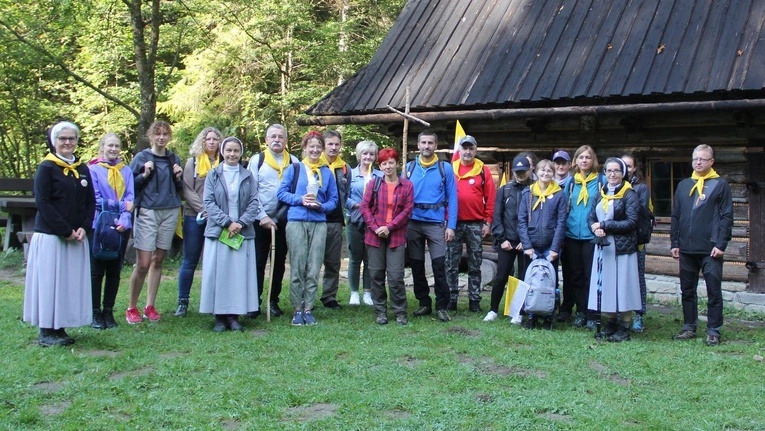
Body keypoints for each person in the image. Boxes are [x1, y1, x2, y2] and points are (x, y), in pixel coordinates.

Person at [23, 121, 95, 346]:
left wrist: (84, 226)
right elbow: (43, 203)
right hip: (52, 237)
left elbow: (90, 202)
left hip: (76, 237)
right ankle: (46, 330)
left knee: (67, 283)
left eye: (71, 138)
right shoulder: (47, 168)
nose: (67, 142)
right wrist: (65, 230)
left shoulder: (82, 168)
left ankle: (60, 326)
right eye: (62, 138)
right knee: (49, 283)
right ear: (54, 141)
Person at [670, 145, 733, 346]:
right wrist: (674, 242)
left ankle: (713, 330)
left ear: (711, 162)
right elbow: (676, 215)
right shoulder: (684, 185)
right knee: (687, 290)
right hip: (686, 248)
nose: (698, 162)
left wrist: (721, 243)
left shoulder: (720, 184)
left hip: (711, 249)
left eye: (703, 159)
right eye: (695, 159)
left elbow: (726, 216)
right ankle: (689, 327)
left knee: (713, 290)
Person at [278, 131, 338, 326]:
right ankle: (297, 308)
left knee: (314, 266)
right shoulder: (294, 169)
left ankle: (308, 308)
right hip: (296, 221)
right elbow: (282, 193)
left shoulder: (326, 172)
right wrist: (300, 200)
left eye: (318, 147)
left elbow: (334, 200)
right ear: (304, 148)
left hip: (319, 223)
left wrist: (322, 206)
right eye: (311, 146)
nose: (314, 150)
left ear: (322, 149)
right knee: (297, 266)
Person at [199, 137, 260, 331]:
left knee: (237, 275)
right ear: (222, 152)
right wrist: (227, 222)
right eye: (228, 150)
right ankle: (219, 316)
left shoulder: (248, 176)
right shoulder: (213, 175)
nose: (232, 154)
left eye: (236, 151)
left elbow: (254, 203)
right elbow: (208, 202)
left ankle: (234, 316)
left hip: (241, 232)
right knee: (219, 274)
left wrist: (240, 223)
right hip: (219, 231)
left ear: (241, 153)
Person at [126, 120, 183, 324]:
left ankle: (150, 305)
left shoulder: (173, 158)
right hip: (148, 211)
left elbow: (178, 188)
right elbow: (130, 185)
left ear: (169, 137)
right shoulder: (142, 157)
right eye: (157, 134)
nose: (161, 138)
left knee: (158, 260)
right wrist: (144, 174)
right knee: (142, 263)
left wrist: (178, 176)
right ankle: (131, 307)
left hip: (169, 210)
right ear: (151, 136)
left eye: (165, 134)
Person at [248, 124, 299, 318]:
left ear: (286, 140)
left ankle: (273, 300)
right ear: (267, 139)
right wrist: (263, 216)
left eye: (281, 136)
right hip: (260, 220)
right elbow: (252, 192)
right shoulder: (257, 160)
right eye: (273, 136)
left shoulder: (293, 161)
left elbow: (295, 191)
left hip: (284, 219)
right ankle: (254, 302)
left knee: (279, 263)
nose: (277, 140)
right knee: (258, 262)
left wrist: (279, 217)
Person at [406, 131, 458, 322]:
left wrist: (451, 225)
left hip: (436, 223)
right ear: (418, 145)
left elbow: (452, 198)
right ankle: (424, 303)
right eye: (423, 142)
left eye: (430, 143)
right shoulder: (409, 168)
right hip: (413, 222)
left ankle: (442, 305)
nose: (426, 146)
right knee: (417, 265)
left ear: (436, 146)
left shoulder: (445, 168)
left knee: (438, 265)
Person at [587, 157, 641, 342]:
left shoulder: (629, 194)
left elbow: (632, 222)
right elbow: (591, 216)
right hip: (604, 247)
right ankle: (611, 321)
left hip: (622, 248)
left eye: (616, 170)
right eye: (609, 171)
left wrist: (605, 225)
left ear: (623, 173)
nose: (612, 174)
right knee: (608, 284)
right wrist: (595, 226)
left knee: (624, 286)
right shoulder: (601, 193)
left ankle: (624, 325)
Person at [360, 148, 414, 325]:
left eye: (391, 162)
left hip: (396, 236)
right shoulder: (374, 184)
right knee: (376, 274)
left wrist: (389, 227)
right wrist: (376, 228)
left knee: (395, 275)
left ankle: (400, 311)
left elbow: (407, 211)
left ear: (396, 163)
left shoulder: (407, 186)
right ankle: (380, 311)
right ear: (380, 166)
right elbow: (364, 208)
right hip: (374, 236)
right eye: (384, 163)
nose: (388, 166)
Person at [88, 133, 134, 329]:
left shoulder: (127, 171)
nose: (113, 149)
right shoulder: (93, 170)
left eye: (116, 146)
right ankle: (94, 312)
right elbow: (95, 199)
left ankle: (108, 311)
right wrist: (120, 206)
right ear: (102, 147)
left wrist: (124, 220)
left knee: (114, 271)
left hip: (120, 226)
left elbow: (131, 200)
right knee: (96, 271)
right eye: (110, 146)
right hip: (98, 224)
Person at [175, 127, 222, 317]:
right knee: (190, 260)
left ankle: (214, 302)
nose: (211, 142)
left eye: (215, 139)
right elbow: (187, 190)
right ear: (202, 142)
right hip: (195, 216)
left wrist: (216, 213)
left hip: (218, 219)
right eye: (207, 139)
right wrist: (205, 209)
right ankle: (182, 302)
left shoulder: (225, 162)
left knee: (215, 261)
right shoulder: (193, 162)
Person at [446, 135, 495, 312]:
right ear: (459, 150)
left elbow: (490, 198)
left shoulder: (483, 170)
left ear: (476, 150)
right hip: (453, 223)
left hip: (475, 223)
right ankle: (451, 298)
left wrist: (488, 221)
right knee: (451, 263)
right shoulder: (450, 169)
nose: (467, 151)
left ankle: (474, 300)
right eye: (464, 148)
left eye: (471, 148)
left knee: (475, 263)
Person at [517, 159, 567, 329]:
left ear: (553, 174)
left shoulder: (559, 194)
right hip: (532, 245)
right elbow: (522, 221)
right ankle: (531, 315)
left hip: (549, 246)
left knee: (549, 281)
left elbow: (561, 222)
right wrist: (527, 245)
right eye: (542, 170)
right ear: (536, 172)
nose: (546, 174)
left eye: (549, 171)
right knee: (530, 280)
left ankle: (548, 316)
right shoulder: (528, 193)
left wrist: (555, 248)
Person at [484, 155, 533, 322]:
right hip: (507, 241)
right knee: (501, 276)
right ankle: (493, 310)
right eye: (517, 172)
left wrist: (526, 241)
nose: (520, 175)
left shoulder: (535, 190)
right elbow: (497, 217)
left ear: (530, 171)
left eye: (523, 172)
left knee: (522, 277)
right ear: (513, 172)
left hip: (525, 242)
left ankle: (517, 311)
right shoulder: (504, 190)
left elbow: (535, 218)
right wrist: (501, 238)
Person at [560, 145, 602, 328]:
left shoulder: (601, 181)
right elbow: (563, 208)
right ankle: (581, 312)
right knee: (575, 276)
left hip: (590, 236)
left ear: (593, 161)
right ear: (575, 161)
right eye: (581, 157)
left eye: (587, 157)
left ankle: (593, 314)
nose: (584, 160)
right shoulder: (571, 183)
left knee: (590, 277)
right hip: (571, 235)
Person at [346, 140, 381, 306]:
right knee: (355, 257)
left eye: (371, 154)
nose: (368, 157)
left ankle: (368, 292)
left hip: (373, 222)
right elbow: (342, 195)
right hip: (354, 218)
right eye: (365, 153)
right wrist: (356, 205)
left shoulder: (380, 176)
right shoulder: (349, 175)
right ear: (359, 155)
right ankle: (354, 292)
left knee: (370, 258)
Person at [319, 130, 351, 310]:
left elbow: (346, 194)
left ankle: (329, 296)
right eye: (329, 144)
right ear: (323, 145)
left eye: (336, 144)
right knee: (313, 260)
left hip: (336, 221)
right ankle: (307, 296)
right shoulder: (314, 164)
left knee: (333, 261)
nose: (333, 147)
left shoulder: (344, 167)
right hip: (316, 219)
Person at [621, 153, 650, 333]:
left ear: (634, 169)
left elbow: (639, 213)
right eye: (622, 166)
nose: (625, 169)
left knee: (637, 278)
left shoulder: (640, 188)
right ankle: (620, 312)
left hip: (635, 240)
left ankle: (639, 314)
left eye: (629, 166)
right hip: (618, 241)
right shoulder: (611, 187)